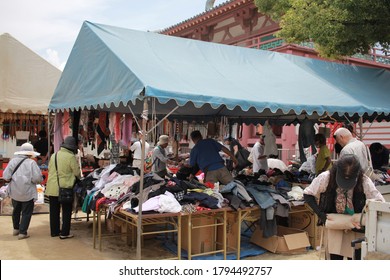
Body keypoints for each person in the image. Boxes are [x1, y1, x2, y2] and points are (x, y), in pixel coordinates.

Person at [303, 154, 385, 260]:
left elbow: (379, 202)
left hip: (356, 227)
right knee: (335, 259)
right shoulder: (326, 177)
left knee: (356, 258)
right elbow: (308, 194)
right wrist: (321, 214)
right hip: (335, 223)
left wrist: (365, 219)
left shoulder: (364, 181)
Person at [3, 143, 43, 240]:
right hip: (28, 192)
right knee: (26, 212)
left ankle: (16, 229)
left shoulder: (12, 161)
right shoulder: (31, 163)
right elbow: (37, 178)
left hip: (15, 191)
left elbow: (6, 176)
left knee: (16, 210)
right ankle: (22, 232)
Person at [45, 136, 81, 239]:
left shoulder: (54, 155)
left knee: (54, 211)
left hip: (52, 187)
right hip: (65, 188)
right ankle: (65, 233)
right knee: (66, 211)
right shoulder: (71, 157)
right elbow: (77, 172)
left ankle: (54, 232)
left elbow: (50, 169)